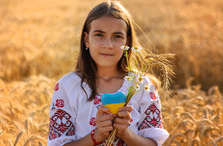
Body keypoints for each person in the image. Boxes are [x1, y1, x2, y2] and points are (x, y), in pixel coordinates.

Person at [47, 1, 171, 146]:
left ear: (127, 42)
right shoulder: (67, 87)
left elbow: (154, 143)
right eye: (99, 35)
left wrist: (126, 133)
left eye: (117, 36)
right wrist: (96, 136)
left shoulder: (141, 86)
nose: (108, 44)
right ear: (87, 40)